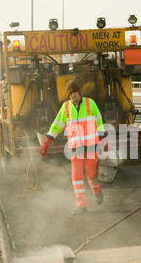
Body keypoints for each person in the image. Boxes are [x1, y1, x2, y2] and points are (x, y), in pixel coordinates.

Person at [39, 79, 107, 215]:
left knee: (91, 174)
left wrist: (104, 140)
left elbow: (99, 121)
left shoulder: (90, 103)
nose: (73, 95)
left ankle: (96, 189)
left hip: (91, 146)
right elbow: (56, 125)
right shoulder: (65, 107)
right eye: (70, 93)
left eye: (75, 92)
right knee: (76, 176)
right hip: (76, 148)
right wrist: (47, 142)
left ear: (79, 92)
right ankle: (81, 205)